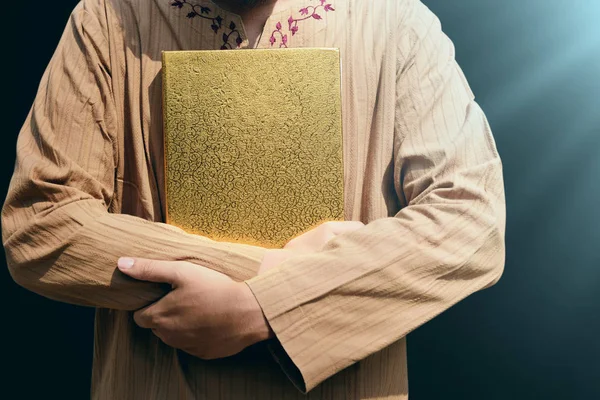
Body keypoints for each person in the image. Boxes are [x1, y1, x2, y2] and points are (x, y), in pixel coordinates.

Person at [1, 0, 506, 398]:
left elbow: (471, 219)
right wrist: (274, 280)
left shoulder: (397, 22)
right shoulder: (107, 19)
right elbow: (40, 221)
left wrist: (262, 308)